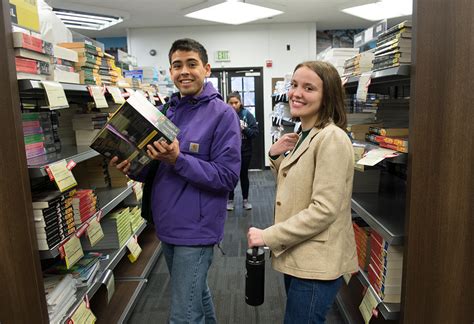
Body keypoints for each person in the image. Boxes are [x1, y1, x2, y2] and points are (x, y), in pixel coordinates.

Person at [111, 38, 241, 323]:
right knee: (197, 296)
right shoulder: (167, 111)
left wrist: (178, 160)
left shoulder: (223, 115)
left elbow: (227, 177)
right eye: (177, 65)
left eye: (192, 64)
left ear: (206, 68)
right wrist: (132, 167)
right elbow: (158, 169)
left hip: (196, 228)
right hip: (166, 223)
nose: (184, 71)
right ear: (170, 71)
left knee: (183, 315)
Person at [247, 61, 358, 323]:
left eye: (309, 87)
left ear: (327, 95)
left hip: (317, 263)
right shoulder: (305, 132)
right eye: (295, 85)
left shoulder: (332, 138)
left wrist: (268, 236)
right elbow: (296, 186)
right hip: (301, 252)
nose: (296, 93)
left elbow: (324, 209)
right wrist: (275, 156)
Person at [226, 92, 259, 211]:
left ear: (240, 103)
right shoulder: (225, 115)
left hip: (245, 151)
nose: (234, 105)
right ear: (227, 103)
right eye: (231, 103)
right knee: (230, 176)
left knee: (243, 175)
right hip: (230, 152)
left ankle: (245, 200)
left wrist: (243, 128)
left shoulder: (247, 115)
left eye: (236, 102)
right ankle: (230, 200)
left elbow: (255, 133)